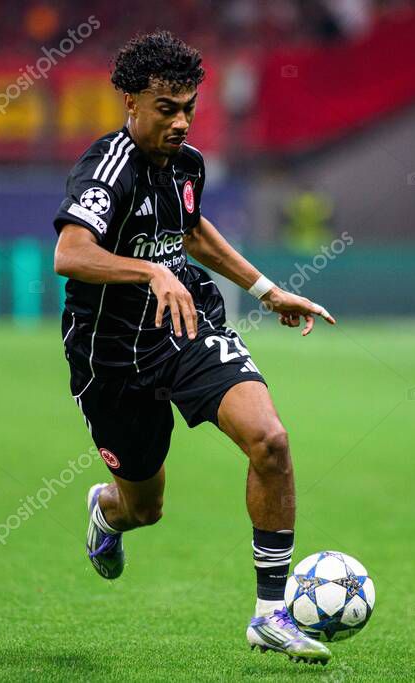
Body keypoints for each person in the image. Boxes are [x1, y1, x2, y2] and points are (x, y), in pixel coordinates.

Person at [51, 31, 336, 664]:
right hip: (111, 356)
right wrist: (149, 270)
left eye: (188, 106)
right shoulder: (106, 168)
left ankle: (270, 614)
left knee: (272, 441)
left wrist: (266, 290)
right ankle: (106, 510)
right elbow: (70, 253)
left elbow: (194, 230)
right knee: (144, 509)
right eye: (166, 108)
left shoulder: (187, 164)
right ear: (129, 99)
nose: (181, 121)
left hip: (186, 328)